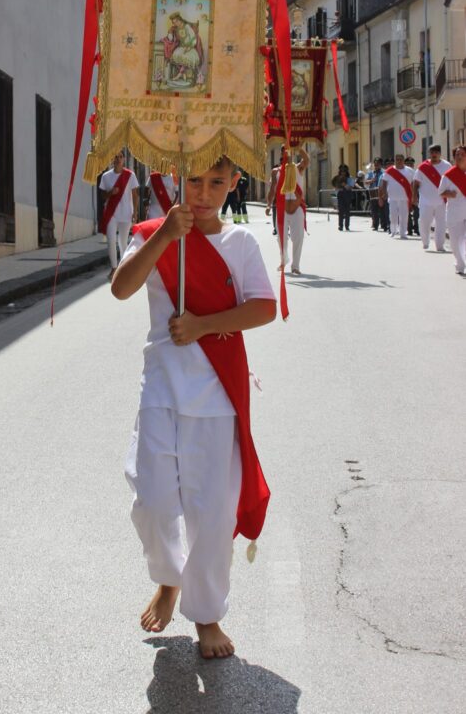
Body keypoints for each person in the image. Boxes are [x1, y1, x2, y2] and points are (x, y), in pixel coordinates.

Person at [112, 157, 276, 659]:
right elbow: (121, 288)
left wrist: (204, 326)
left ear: (233, 185)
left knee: (211, 509)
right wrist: (164, 236)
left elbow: (264, 307)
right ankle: (168, 579)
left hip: (216, 395)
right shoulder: (152, 233)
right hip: (161, 385)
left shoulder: (240, 242)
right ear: (177, 181)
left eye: (217, 183)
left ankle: (206, 613)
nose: (204, 194)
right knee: (155, 500)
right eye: (195, 182)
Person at [265, 145, 310, 274]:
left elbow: (306, 161)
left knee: (298, 237)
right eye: (284, 150)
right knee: (281, 238)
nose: (286, 153)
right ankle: (283, 261)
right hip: (282, 208)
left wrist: (299, 147)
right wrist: (268, 205)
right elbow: (272, 190)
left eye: (288, 150)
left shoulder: (297, 168)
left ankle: (295, 266)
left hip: (297, 207)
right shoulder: (276, 172)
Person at [99, 151, 139, 280]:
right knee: (111, 240)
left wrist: (136, 212)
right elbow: (102, 196)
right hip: (111, 214)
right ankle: (114, 268)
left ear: (124, 159)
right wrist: (111, 192)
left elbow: (135, 195)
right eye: (115, 157)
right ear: (112, 159)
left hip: (126, 212)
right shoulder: (106, 176)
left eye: (120, 157)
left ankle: (122, 267)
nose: (118, 159)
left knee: (122, 242)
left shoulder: (130, 175)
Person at [413, 145, 451, 252]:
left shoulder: (447, 165)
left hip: (442, 201)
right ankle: (425, 241)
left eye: (436, 152)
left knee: (441, 223)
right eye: (432, 152)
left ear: (440, 153)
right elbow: (416, 183)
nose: (434, 154)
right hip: (425, 200)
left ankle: (440, 245)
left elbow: (451, 182)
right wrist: (414, 196)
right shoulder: (423, 167)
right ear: (429, 153)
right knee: (424, 222)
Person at [439, 145, 466, 275]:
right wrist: (449, 194)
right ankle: (460, 264)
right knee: (455, 240)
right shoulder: (449, 175)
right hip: (455, 212)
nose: (459, 157)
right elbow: (441, 192)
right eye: (457, 155)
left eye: (462, 154)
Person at [379, 154, 414, 239]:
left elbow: (413, 183)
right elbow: (384, 183)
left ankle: (403, 233)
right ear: (395, 160)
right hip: (393, 198)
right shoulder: (389, 171)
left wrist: (413, 195)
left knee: (404, 216)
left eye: (400, 159)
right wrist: (384, 193)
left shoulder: (409, 170)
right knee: (393, 215)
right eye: (397, 159)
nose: (399, 161)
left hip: (405, 197)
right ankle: (393, 231)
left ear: (403, 160)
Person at [365, 158, 388, 232]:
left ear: (381, 165)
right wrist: (371, 180)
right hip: (373, 193)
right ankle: (375, 225)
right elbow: (365, 182)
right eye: (375, 165)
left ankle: (384, 225)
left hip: (381, 193)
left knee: (383, 210)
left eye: (377, 164)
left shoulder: (384, 172)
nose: (376, 166)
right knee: (374, 211)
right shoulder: (371, 173)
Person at [332, 164, 354, 231]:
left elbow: (350, 187)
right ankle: (340, 226)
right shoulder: (337, 178)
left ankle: (347, 226)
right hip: (340, 195)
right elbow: (335, 187)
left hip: (347, 195)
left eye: (344, 171)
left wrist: (344, 184)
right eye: (341, 171)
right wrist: (337, 187)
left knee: (347, 211)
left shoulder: (350, 178)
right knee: (340, 211)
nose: (343, 172)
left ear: (346, 171)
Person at [404, 157, 420, 235]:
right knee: (407, 213)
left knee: (417, 213)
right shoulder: (403, 173)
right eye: (408, 164)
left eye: (411, 164)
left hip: (416, 194)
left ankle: (417, 228)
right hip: (406, 195)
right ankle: (409, 229)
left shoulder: (416, 172)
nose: (410, 165)